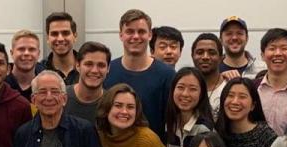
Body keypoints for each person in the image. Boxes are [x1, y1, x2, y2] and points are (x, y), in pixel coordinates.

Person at [104, 9, 175, 138]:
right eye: (130, 31)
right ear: (121, 35)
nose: (136, 36)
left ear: (150, 35)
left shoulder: (167, 75)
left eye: (141, 31)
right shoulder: (107, 71)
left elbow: (173, 121)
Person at [214, 77, 277, 147]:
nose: (235, 101)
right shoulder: (216, 135)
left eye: (242, 97)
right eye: (230, 96)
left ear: (253, 105)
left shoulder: (266, 137)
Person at [164, 67, 216, 147]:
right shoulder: (169, 125)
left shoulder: (204, 129)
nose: (185, 94)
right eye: (180, 88)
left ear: (201, 94)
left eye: (193, 89)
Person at [256, 28, 287, 136]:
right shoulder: (253, 89)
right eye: (272, 48)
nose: (278, 53)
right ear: (262, 55)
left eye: (284, 48)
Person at [63, 41, 110, 124]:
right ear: (77, 66)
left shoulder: (111, 103)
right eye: (88, 64)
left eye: (101, 65)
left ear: (108, 69)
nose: (95, 70)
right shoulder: (61, 98)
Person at [191, 33, 227, 118]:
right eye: (200, 52)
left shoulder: (229, 87)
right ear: (192, 56)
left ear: (221, 58)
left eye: (212, 53)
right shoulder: (184, 89)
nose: (205, 57)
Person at [42, 12, 80, 84]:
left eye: (65, 33)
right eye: (54, 34)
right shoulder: (39, 70)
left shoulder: (88, 68)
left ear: (75, 36)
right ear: (47, 38)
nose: (60, 39)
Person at [5, 30, 44, 100]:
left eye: (32, 49)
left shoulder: (45, 85)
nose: (26, 53)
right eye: (21, 49)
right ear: (11, 53)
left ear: (38, 54)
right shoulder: (1, 87)